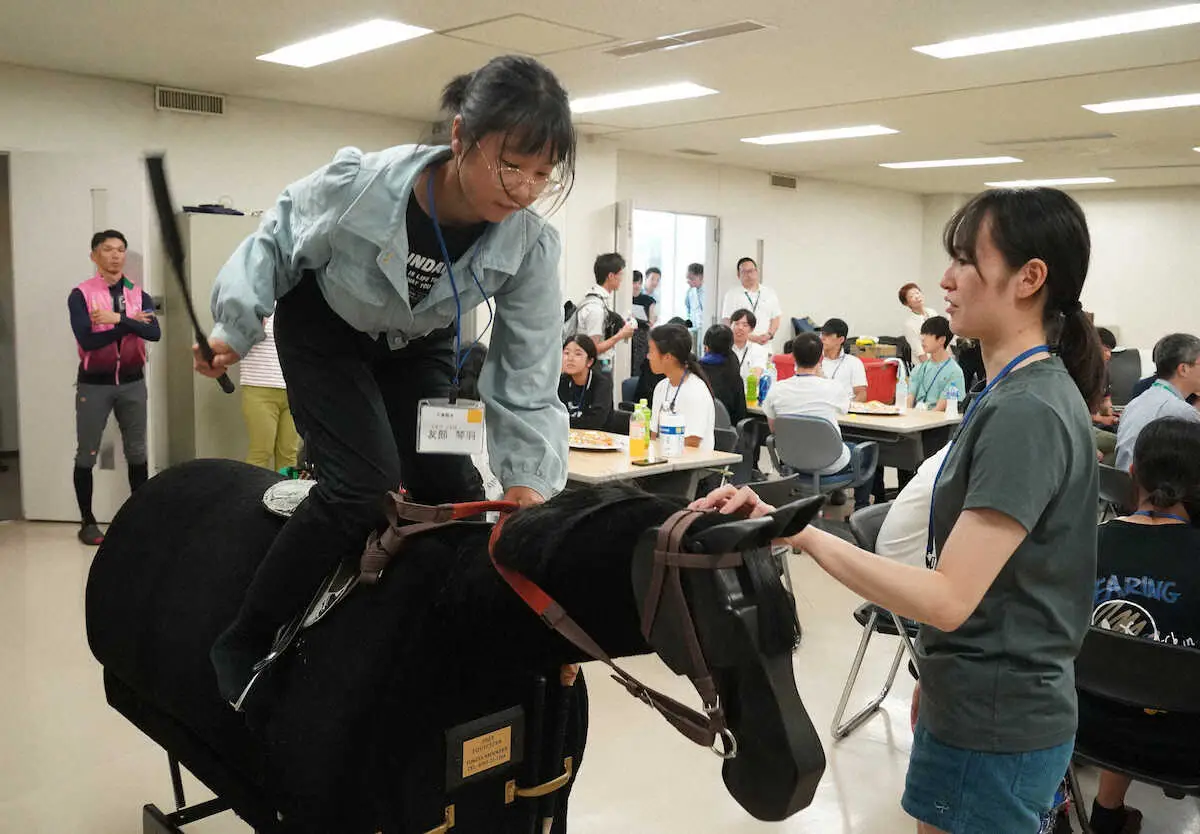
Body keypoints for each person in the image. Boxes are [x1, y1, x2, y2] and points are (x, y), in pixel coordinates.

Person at [700, 187, 1106, 834]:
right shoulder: (1013, 392)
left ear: (1030, 278)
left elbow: (948, 596)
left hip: (997, 720)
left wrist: (802, 535)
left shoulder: (1026, 411)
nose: (944, 280)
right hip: (975, 701)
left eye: (966, 261)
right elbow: (991, 588)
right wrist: (942, 670)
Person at [195, 55, 577, 707]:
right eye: (511, 165)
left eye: (543, 175)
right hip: (325, 330)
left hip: (418, 344)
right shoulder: (361, 183)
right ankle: (245, 635)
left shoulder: (531, 246)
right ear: (460, 137)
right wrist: (233, 325)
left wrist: (526, 484)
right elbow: (275, 242)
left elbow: (526, 373)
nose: (523, 190)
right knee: (361, 485)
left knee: (455, 491)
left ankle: (432, 631)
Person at [1083, 416, 1200, 834]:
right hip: (1185, 749)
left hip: (1083, 725)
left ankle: (1106, 812)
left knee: (1124, 673)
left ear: (1132, 473)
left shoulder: (1086, 543)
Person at [68, 229, 160, 546]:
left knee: (137, 451)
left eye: (120, 249)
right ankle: (87, 521)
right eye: (108, 249)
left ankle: (143, 518)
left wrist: (115, 317)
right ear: (95, 255)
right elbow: (88, 339)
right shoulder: (81, 294)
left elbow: (154, 334)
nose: (115, 255)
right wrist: (131, 321)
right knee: (87, 453)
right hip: (94, 385)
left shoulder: (139, 294)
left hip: (133, 383)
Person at [762, 332, 871, 509]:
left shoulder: (777, 389)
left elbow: (774, 429)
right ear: (821, 357)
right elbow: (845, 409)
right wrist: (822, 376)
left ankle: (833, 496)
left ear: (792, 356)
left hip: (791, 461)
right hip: (830, 463)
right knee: (864, 451)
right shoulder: (832, 387)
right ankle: (861, 509)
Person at [1114, 332, 1200, 471]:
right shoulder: (1182, 413)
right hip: (1153, 488)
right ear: (1183, 369)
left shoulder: (1137, 402)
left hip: (1125, 485)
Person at [239, 312, 300, 472]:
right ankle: (253, 496)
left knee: (289, 453)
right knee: (261, 450)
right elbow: (233, 345)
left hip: (294, 390)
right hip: (259, 389)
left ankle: (287, 496)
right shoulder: (250, 303)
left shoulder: (295, 304)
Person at [648, 323, 715, 451]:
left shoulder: (696, 390)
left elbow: (692, 442)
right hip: (663, 460)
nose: (648, 356)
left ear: (668, 357)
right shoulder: (661, 387)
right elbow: (654, 435)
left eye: (651, 351)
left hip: (691, 466)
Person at [574, 252, 635, 376]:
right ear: (611, 276)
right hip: (596, 368)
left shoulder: (599, 300)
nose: (622, 279)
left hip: (600, 366)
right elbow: (593, 349)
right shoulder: (595, 308)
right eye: (620, 274)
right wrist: (620, 335)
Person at [906, 316, 965, 412]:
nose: (923, 339)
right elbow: (909, 399)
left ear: (941, 340)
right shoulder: (919, 368)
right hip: (916, 419)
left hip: (937, 423)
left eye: (928, 334)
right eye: (923, 334)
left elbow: (939, 410)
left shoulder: (954, 372)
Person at [721, 257, 781, 346]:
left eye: (751, 271)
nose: (749, 275)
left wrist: (769, 335)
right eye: (744, 272)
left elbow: (776, 318)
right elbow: (727, 321)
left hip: (765, 345)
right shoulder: (731, 295)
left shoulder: (769, 293)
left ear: (756, 272)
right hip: (740, 346)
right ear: (738, 274)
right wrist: (751, 338)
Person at [558, 334, 613, 430]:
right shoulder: (561, 381)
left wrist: (563, 423)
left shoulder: (602, 384)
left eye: (578, 354)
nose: (570, 358)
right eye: (566, 353)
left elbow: (595, 422)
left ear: (590, 362)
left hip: (599, 439)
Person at [700, 324, 748, 425]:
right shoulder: (734, 374)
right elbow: (741, 414)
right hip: (728, 435)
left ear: (706, 347)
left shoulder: (695, 371)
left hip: (698, 431)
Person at [819, 318, 867, 403]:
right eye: (822, 334)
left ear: (841, 339)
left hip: (845, 411)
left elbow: (861, 394)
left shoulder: (854, 362)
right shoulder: (814, 360)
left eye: (828, 335)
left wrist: (849, 411)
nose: (823, 338)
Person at [1091, 327, 1119, 465]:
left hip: (1097, 424)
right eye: (1105, 349)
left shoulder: (1104, 372)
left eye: (1111, 351)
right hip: (1083, 426)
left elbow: (1106, 400)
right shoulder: (1079, 373)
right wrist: (1102, 419)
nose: (1108, 355)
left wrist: (1111, 414)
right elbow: (1075, 413)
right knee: (1118, 444)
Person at [729, 308, 771, 382]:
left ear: (751, 329)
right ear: (730, 326)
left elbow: (757, 374)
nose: (740, 328)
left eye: (745, 325)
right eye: (736, 324)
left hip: (749, 390)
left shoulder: (758, 350)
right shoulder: (723, 348)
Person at [899, 282, 936, 365]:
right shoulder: (909, 324)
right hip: (925, 366)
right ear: (906, 303)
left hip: (941, 361)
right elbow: (920, 352)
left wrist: (951, 360)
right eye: (911, 296)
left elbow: (943, 337)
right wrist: (932, 370)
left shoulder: (932, 313)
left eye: (917, 293)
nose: (917, 296)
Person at [630, 269, 655, 375]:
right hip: (628, 333)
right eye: (634, 282)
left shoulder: (648, 300)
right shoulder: (625, 299)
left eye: (639, 283)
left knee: (639, 364)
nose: (637, 286)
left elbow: (651, 321)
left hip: (642, 335)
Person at [683, 263, 705, 337]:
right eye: (687, 278)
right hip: (694, 330)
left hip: (705, 328)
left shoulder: (708, 291)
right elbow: (688, 311)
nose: (688, 281)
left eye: (692, 278)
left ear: (701, 277)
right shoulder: (689, 292)